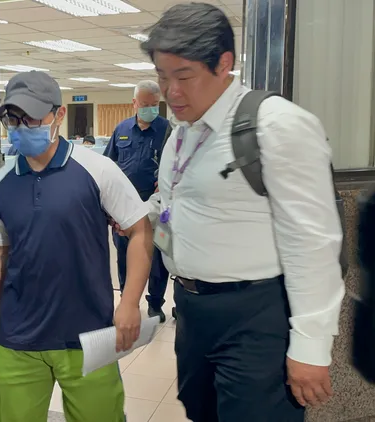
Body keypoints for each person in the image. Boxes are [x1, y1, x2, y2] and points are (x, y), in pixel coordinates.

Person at [136, 3, 346, 421]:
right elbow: (174, 204)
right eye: (162, 77)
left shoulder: (277, 125)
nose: (171, 92)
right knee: (201, 412)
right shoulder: (182, 134)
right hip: (192, 311)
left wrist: (310, 346)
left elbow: (313, 242)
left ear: (224, 64)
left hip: (255, 316)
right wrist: (139, 215)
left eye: (184, 76)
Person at [0, 71, 153, 422]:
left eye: (32, 118)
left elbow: (140, 231)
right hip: (20, 337)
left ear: (59, 115)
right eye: (13, 119)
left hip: (88, 333)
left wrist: (130, 303)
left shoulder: (97, 170)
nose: (21, 127)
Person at [104, 80, 171, 322]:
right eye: (145, 104)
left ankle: (155, 303)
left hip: (156, 206)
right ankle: (127, 300)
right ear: (134, 103)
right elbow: (108, 164)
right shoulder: (122, 129)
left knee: (157, 258)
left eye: (155, 104)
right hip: (124, 207)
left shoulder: (167, 130)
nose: (150, 109)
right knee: (124, 256)